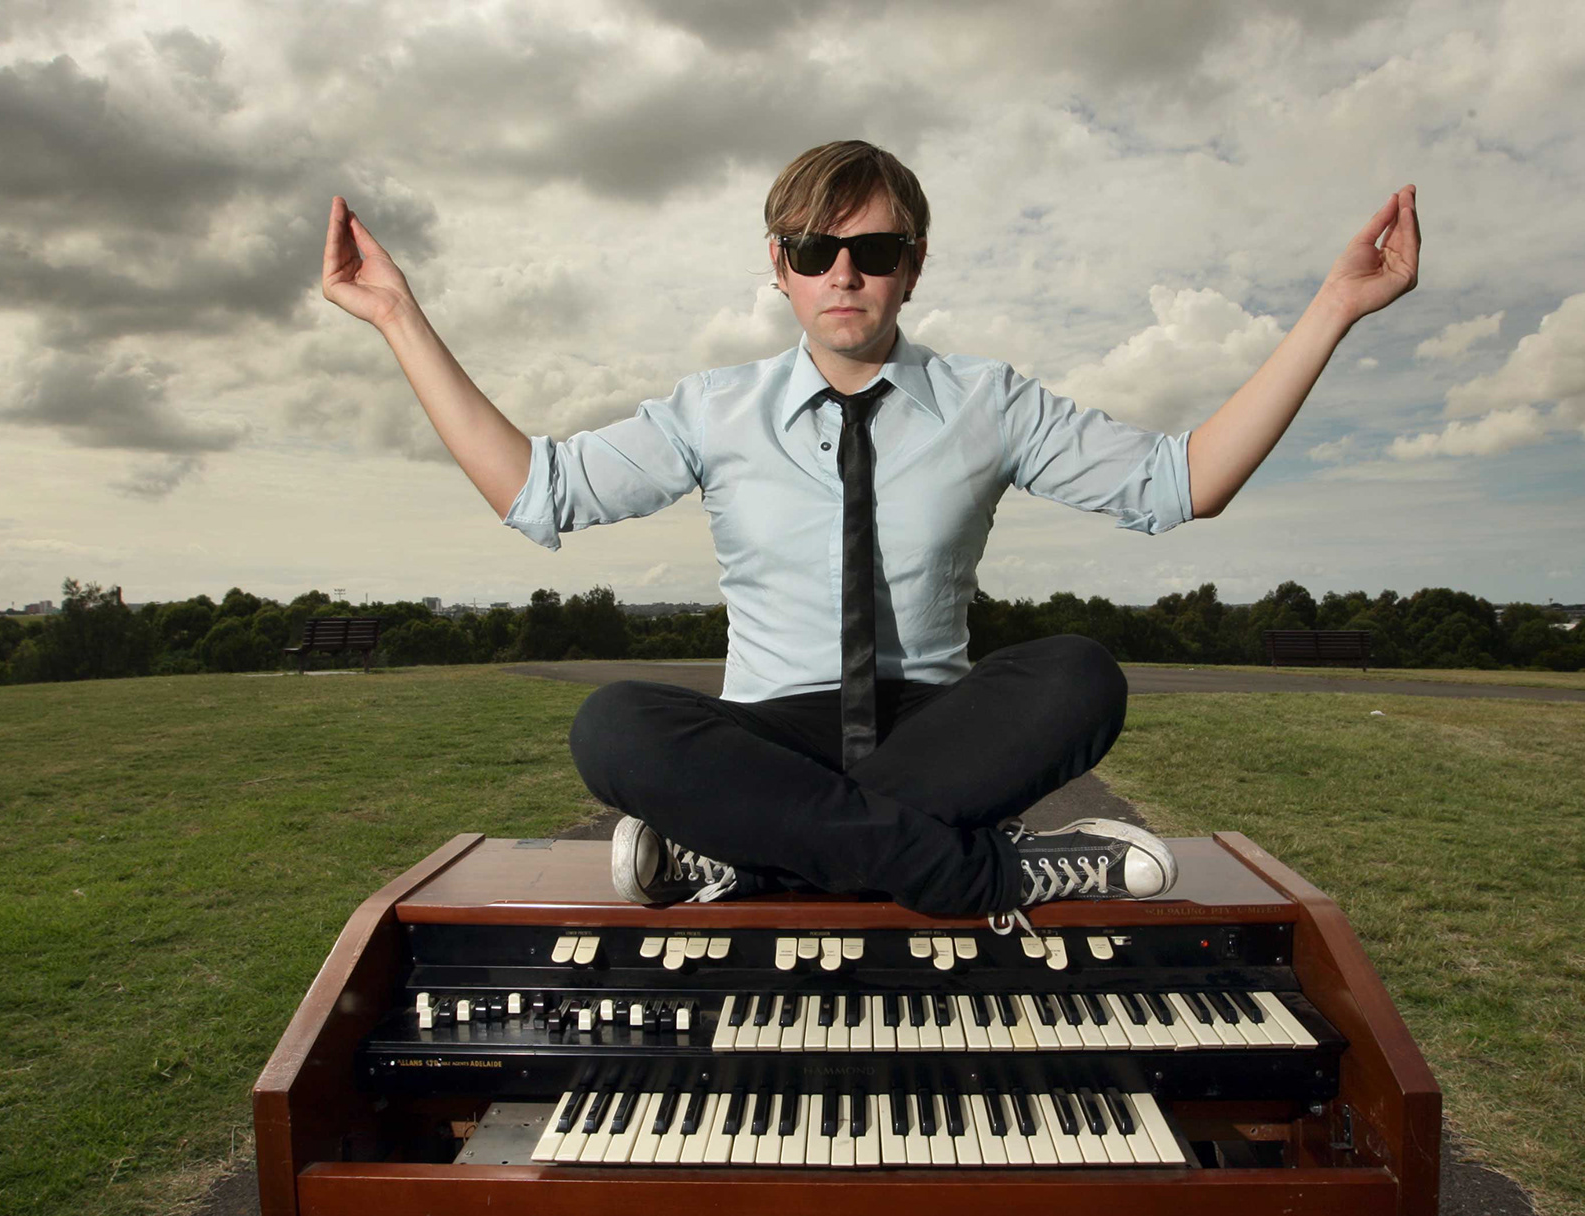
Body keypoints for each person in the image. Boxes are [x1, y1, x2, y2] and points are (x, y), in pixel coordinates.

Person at [320, 141, 1419, 934]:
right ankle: (984, 877)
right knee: (614, 726)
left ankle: (753, 860)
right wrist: (396, 316)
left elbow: (1185, 481)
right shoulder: (714, 410)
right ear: (779, 263)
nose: (842, 273)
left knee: (1081, 675)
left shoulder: (987, 400)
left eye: (873, 247)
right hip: (770, 741)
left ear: (914, 263)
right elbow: (538, 487)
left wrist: (1333, 306)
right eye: (814, 248)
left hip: (940, 734)